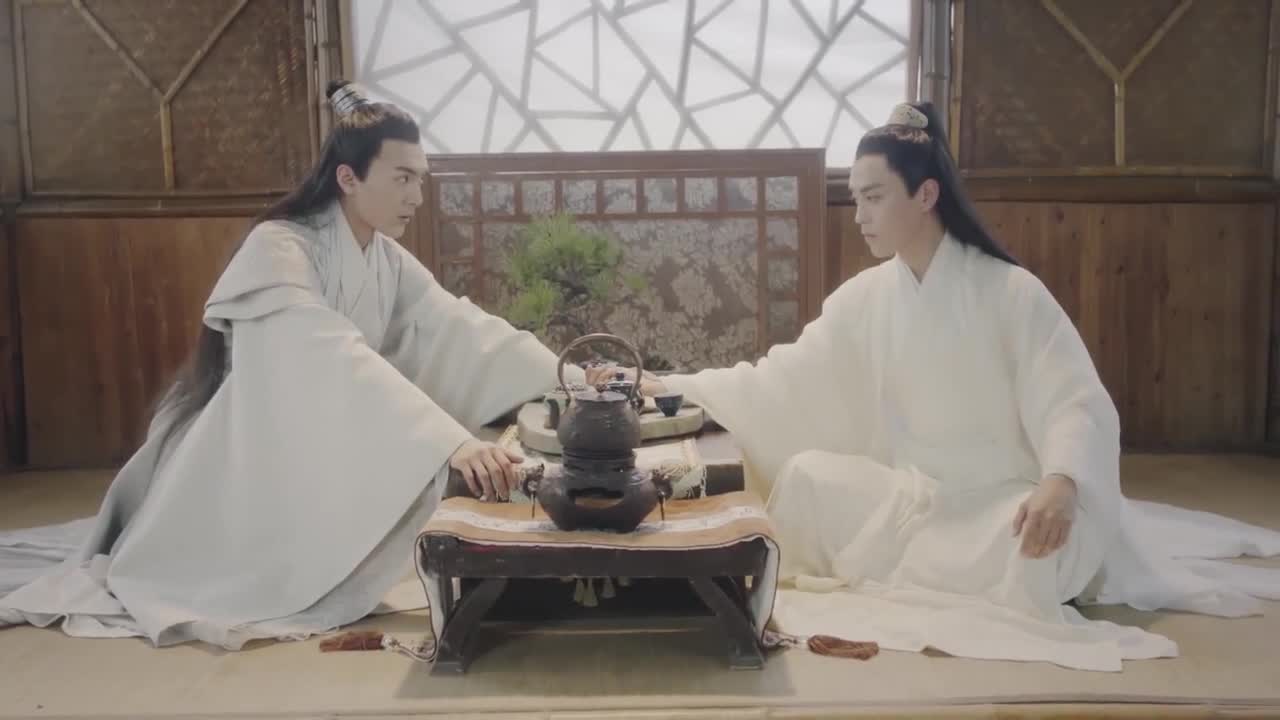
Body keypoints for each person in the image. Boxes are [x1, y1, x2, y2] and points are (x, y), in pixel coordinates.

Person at [589, 102, 1280, 671]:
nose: (859, 214)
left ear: (925, 195)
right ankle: (926, 562)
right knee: (806, 480)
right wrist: (664, 383)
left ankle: (980, 551)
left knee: (1033, 551)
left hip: (1003, 505)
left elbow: (1073, 396)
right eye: (856, 199)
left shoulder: (1010, 292)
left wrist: (1063, 481)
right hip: (913, 498)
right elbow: (778, 382)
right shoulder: (866, 298)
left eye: (873, 197)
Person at [0, 81, 580, 649]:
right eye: (402, 178)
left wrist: (571, 378)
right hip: (249, 447)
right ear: (348, 178)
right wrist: (448, 442)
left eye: (420, 179)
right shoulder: (278, 247)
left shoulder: (385, 257)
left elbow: (456, 326)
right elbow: (325, 351)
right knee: (230, 579)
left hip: (315, 437)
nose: (416, 196)